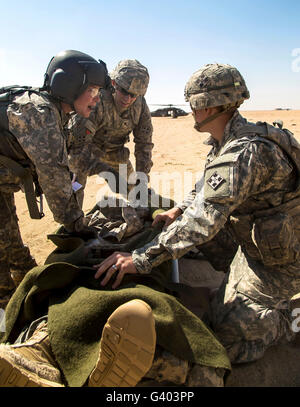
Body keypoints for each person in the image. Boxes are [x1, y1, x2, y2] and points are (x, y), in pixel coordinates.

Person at [94, 63, 300, 366]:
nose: (191, 110)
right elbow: (205, 186)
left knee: (226, 333)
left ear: (211, 105)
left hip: (280, 262)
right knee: (184, 224)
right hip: (255, 240)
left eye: (195, 103)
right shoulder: (227, 141)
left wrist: (141, 258)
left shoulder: (244, 153)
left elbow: (203, 222)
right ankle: (232, 285)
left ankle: (288, 319)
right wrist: (179, 209)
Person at [0, 50, 109, 308]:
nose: (96, 99)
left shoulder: (60, 115)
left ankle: (22, 287)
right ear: (69, 84)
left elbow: (65, 171)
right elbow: (56, 183)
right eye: (92, 91)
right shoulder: (39, 113)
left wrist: (74, 187)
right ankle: (7, 316)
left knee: (12, 245)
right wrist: (78, 227)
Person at [68, 59, 154, 207]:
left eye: (133, 95)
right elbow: (78, 150)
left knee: (138, 194)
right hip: (87, 153)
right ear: (114, 83)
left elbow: (144, 145)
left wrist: (142, 177)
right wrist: (102, 169)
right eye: (124, 91)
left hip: (117, 154)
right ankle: (74, 224)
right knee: (74, 191)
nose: (128, 99)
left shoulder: (140, 106)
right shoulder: (96, 100)